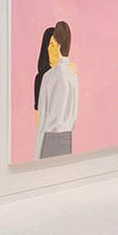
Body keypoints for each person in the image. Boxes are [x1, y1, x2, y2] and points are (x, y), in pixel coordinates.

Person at [33, 20, 78, 159]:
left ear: (59, 46)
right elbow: (74, 114)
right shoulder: (73, 75)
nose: (48, 49)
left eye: (52, 45)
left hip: (49, 140)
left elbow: (41, 123)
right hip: (67, 138)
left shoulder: (48, 77)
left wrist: (36, 156)